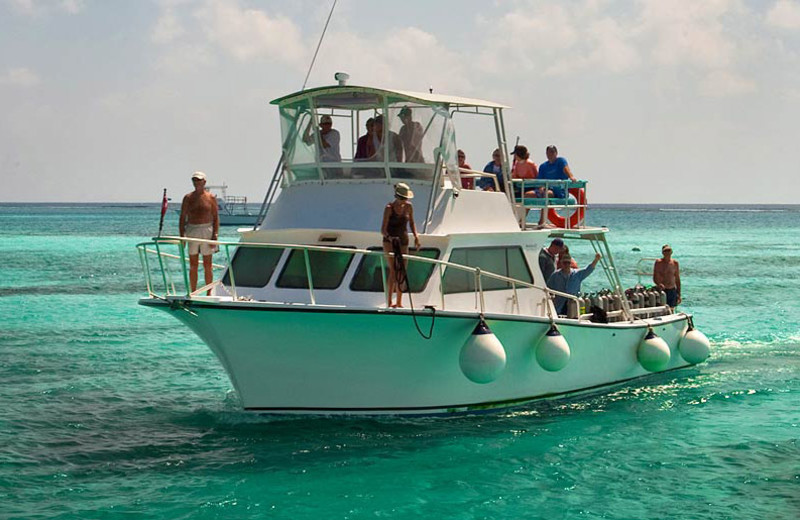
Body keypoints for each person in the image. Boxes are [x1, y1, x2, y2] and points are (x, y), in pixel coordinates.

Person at [381, 183, 421, 308]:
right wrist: (390, 238)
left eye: (406, 198)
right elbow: (383, 229)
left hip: (403, 240)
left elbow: (412, 223)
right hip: (389, 241)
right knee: (393, 270)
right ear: (397, 197)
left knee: (401, 271)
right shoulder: (389, 208)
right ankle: (389, 301)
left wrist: (416, 236)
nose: (404, 201)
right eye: (403, 198)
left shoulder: (409, 207)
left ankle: (399, 301)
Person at [179, 171, 219, 295]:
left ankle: (208, 292)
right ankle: (193, 291)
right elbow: (182, 217)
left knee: (208, 264)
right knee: (193, 264)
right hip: (192, 230)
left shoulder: (210, 198)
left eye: (199, 180)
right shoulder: (188, 198)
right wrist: (182, 237)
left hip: (207, 230)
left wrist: (215, 235)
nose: (196, 182)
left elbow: (216, 217)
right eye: (194, 180)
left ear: (204, 182)